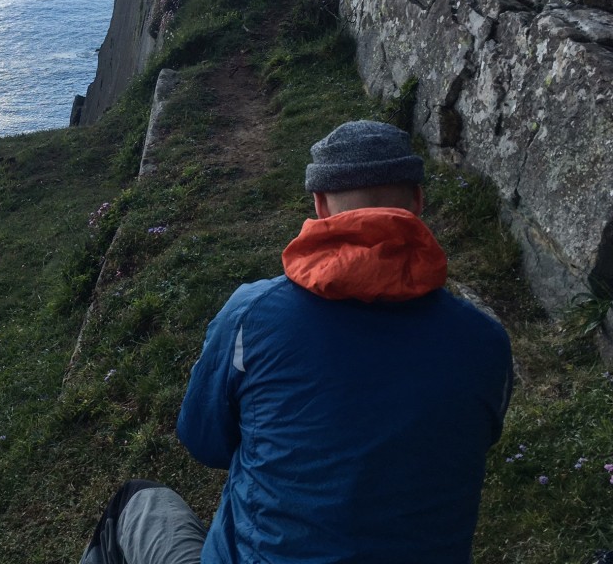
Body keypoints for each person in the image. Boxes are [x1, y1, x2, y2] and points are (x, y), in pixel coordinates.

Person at [79, 120, 513, 564]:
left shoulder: (253, 315)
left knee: (135, 505)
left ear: (320, 204)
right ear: (417, 201)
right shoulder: (485, 342)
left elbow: (204, 441)